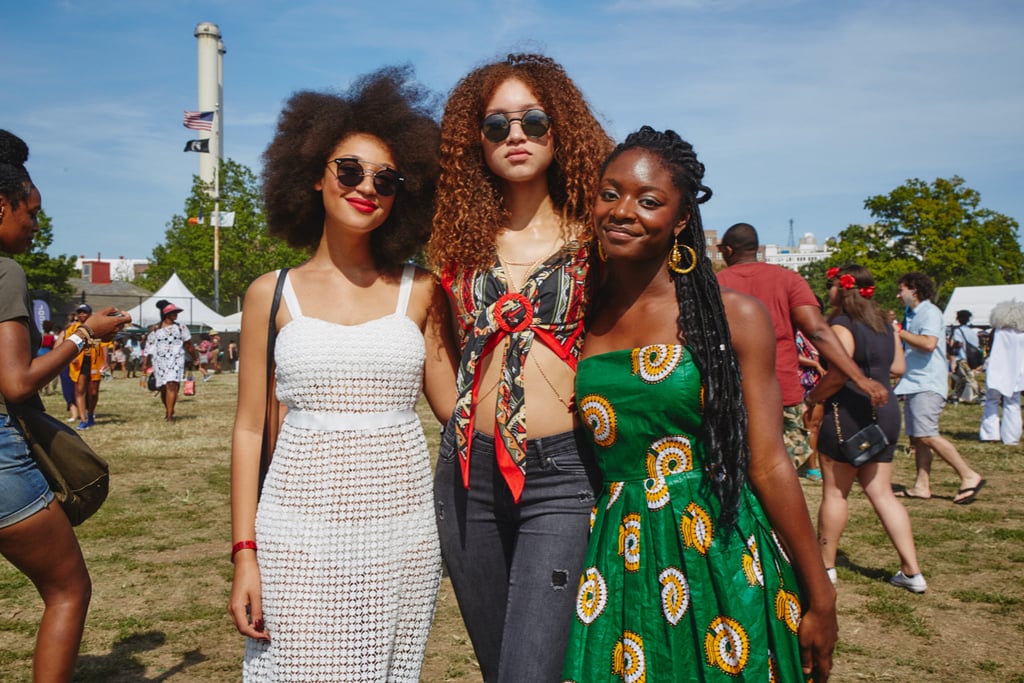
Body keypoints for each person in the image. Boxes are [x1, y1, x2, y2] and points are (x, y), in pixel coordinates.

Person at [561, 127, 836, 682]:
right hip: (618, 555)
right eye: (609, 194)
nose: (622, 211)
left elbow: (768, 461)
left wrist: (820, 591)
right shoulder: (576, 317)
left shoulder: (734, 316)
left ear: (682, 219)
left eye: (648, 200)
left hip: (716, 549)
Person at [228, 67, 457, 682]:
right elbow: (250, 429)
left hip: (401, 537)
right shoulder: (268, 294)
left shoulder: (423, 292)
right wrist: (244, 554)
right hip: (295, 533)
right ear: (312, 176)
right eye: (349, 171)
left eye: (387, 179)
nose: (366, 188)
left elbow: (457, 411)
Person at [427, 53, 613, 682]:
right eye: (496, 125)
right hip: (464, 475)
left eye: (534, 121)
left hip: (564, 474)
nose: (516, 136)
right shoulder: (453, 240)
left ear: (562, 130)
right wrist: (459, 421)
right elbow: (436, 344)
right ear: (473, 142)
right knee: (498, 664)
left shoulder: (600, 236)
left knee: (532, 670)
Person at [0, 128, 130, 682]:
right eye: (30, 212)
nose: (36, 224)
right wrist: (82, 335)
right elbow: (16, 383)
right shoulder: (5, 270)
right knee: (67, 589)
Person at [717, 225, 888, 469]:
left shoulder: (713, 283)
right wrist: (859, 378)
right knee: (780, 471)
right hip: (780, 394)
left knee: (733, 474)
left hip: (728, 395)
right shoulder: (788, 279)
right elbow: (818, 330)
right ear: (756, 249)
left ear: (728, 250)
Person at [806, 265, 926, 593]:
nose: (828, 290)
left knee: (835, 491)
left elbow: (838, 374)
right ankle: (912, 571)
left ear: (841, 289)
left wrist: (813, 398)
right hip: (886, 411)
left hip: (847, 411)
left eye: (830, 284)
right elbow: (899, 367)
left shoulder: (842, 325)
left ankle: (827, 566)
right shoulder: (887, 325)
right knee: (882, 493)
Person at [893, 272, 985, 503]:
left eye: (901, 289)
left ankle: (968, 475)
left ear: (914, 290)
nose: (897, 294)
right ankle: (921, 485)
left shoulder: (929, 312)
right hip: (916, 382)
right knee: (918, 437)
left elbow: (928, 343)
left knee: (927, 434)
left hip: (927, 383)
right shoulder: (915, 314)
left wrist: (898, 331)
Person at [979, 299, 1024, 445]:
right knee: (1013, 402)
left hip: (997, 368)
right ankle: (1011, 437)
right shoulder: (1021, 334)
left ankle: (990, 434)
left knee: (992, 400)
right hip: (1016, 369)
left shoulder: (997, 332)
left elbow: (990, 349)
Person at [143, 300, 196, 423]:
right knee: (163, 388)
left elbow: (188, 344)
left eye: (176, 312)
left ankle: (170, 416)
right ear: (166, 314)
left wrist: (195, 358)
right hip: (160, 361)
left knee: (172, 385)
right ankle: (168, 409)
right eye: (173, 312)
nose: (175, 314)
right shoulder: (155, 329)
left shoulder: (180, 327)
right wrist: (145, 363)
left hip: (176, 360)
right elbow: (149, 346)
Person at [66, 303, 106, 430]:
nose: (82, 315)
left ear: (90, 314)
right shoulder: (73, 329)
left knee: (93, 391)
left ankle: (90, 414)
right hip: (79, 362)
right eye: (80, 312)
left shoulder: (97, 328)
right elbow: (68, 344)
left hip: (95, 361)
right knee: (80, 390)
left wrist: (105, 362)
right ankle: (83, 419)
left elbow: (104, 344)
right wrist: (71, 357)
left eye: (85, 312)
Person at [947, 309, 980, 403]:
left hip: (962, 358)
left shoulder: (958, 331)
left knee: (969, 378)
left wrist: (951, 346)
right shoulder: (972, 332)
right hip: (972, 359)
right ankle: (955, 396)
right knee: (960, 379)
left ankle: (980, 394)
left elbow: (958, 344)